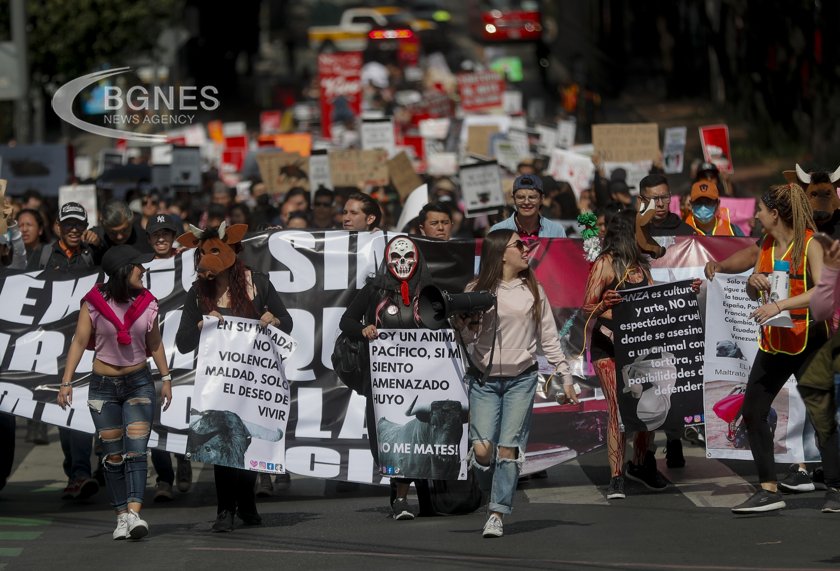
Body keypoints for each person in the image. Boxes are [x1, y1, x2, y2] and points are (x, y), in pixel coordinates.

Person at [457, 229, 576, 538]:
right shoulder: (475, 289)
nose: (526, 249)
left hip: (521, 380)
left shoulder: (533, 290)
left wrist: (565, 377)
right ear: (501, 253)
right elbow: (468, 340)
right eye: (518, 245)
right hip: (484, 381)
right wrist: (464, 324)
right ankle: (491, 487)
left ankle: (497, 512)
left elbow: (549, 338)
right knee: (483, 453)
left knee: (508, 449)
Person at [175, 222, 293, 532]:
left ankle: (247, 503)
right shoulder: (198, 293)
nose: (206, 259)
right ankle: (224, 509)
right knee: (223, 446)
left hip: (253, 380)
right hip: (217, 382)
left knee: (246, 442)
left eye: (213, 251)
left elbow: (287, 323)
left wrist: (273, 318)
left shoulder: (259, 284)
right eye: (201, 253)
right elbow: (183, 343)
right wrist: (202, 326)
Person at [58, 245, 173, 540]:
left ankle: (134, 514)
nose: (144, 271)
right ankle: (121, 515)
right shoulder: (94, 302)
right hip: (102, 387)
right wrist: (66, 382)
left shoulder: (148, 303)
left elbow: (156, 342)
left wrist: (166, 377)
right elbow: (79, 340)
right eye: (138, 266)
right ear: (124, 270)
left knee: (136, 452)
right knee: (112, 456)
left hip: (139, 382)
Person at [731, 183, 830, 514]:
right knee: (752, 411)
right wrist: (752, 284)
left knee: (822, 415)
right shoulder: (768, 246)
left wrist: (780, 305)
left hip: (810, 338)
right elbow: (757, 292)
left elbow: (821, 294)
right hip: (776, 339)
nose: (756, 215)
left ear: (775, 214)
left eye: (760, 209)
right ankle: (768, 489)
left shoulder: (812, 244)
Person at [339, 235, 435, 520]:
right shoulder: (374, 289)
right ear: (387, 261)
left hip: (423, 379)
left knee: (422, 436)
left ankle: (419, 499)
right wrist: (364, 329)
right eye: (396, 259)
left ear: (417, 261)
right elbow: (347, 321)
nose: (402, 264)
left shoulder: (430, 290)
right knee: (389, 437)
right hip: (384, 381)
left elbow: (445, 325)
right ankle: (400, 495)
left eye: (408, 259)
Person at [582, 209, 668, 499]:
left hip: (640, 351)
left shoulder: (642, 266)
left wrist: (687, 293)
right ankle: (616, 476)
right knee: (618, 411)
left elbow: (653, 302)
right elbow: (586, 307)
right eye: (642, 231)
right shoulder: (605, 264)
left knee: (650, 408)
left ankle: (641, 463)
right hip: (608, 349)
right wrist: (605, 304)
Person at [26, 202, 101, 498]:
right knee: (62, 410)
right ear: (58, 227)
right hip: (51, 347)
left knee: (78, 408)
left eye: (78, 225)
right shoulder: (41, 255)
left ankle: (80, 474)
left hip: (86, 346)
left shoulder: (93, 254)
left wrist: (102, 239)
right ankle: (75, 469)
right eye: (68, 224)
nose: (73, 230)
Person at [144, 214, 193, 500]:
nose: (161, 239)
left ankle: (183, 460)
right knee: (154, 418)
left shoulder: (189, 262)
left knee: (181, 416)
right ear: (149, 239)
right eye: (155, 234)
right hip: (151, 356)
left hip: (186, 355)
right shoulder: (140, 269)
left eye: (166, 233)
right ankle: (164, 477)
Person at [489, 174, 567, 242]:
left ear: (541, 199)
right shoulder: (498, 230)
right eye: (521, 197)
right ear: (514, 199)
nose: (526, 202)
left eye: (532, 197)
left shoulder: (556, 231)